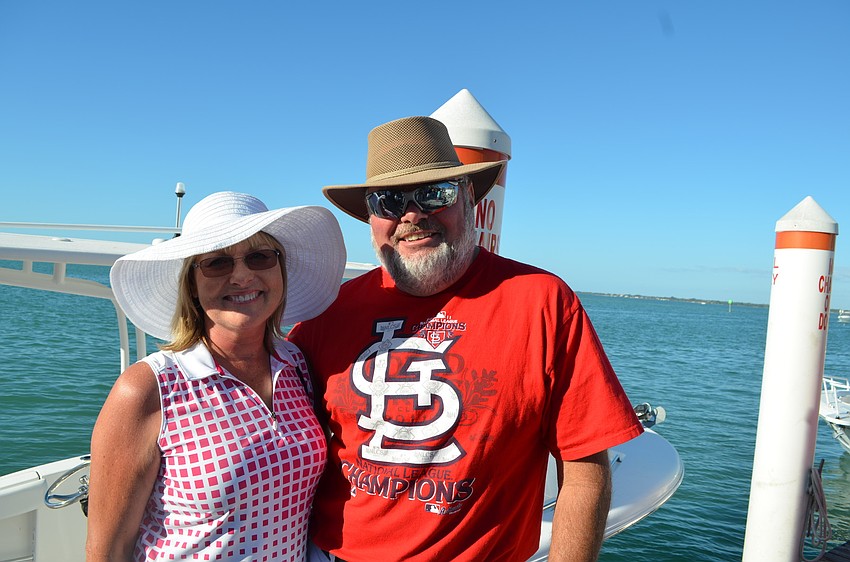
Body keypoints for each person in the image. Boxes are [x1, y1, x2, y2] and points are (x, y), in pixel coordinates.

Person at [288, 116, 644, 562]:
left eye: (435, 194)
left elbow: (586, 469)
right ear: (372, 218)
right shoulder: (328, 312)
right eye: (390, 201)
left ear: (470, 198)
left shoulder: (542, 302)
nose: (413, 216)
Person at [86, 191, 346, 562]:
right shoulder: (149, 388)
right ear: (191, 283)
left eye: (260, 256)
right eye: (217, 262)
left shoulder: (297, 367)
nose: (242, 276)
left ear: (280, 270)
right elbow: (107, 551)